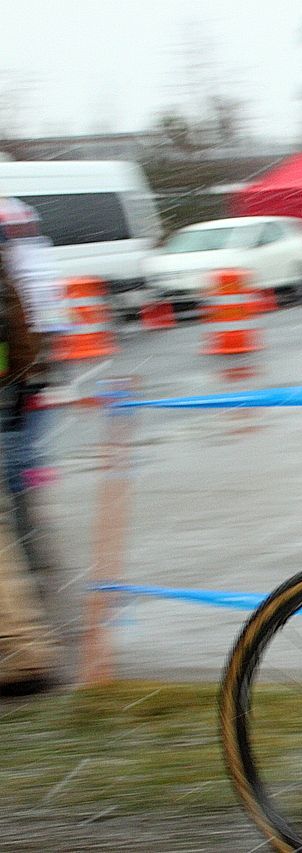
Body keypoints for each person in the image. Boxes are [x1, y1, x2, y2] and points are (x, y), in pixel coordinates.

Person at [0, 196, 60, 696]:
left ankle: (25, 650)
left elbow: (20, 327)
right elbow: (20, 327)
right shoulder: (12, 265)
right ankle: (26, 647)